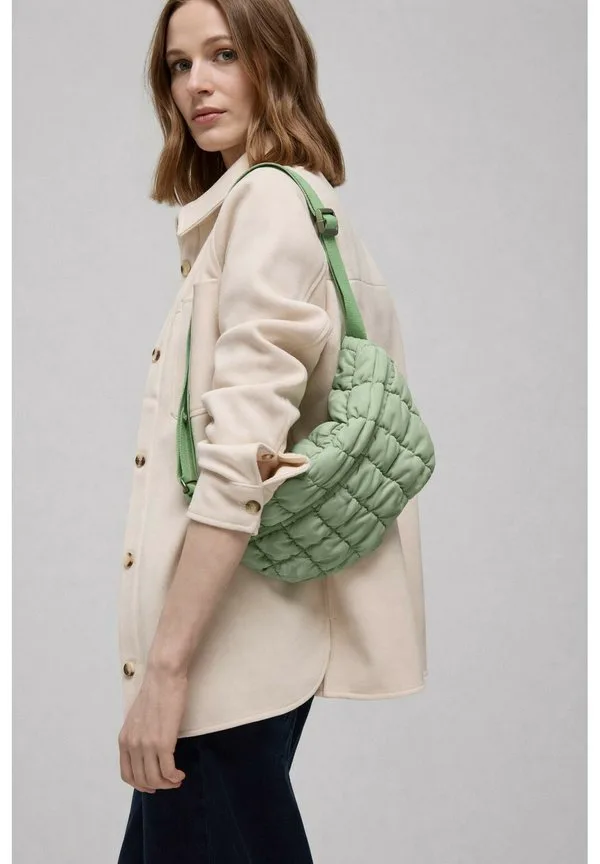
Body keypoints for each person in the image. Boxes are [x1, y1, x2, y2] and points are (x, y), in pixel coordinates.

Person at [116, 0, 429, 860]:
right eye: (180, 65)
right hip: (239, 654)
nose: (197, 84)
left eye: (223, 54)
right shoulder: (292, 205)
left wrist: (166, 671)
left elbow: (239, 462)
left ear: (274, 61)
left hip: (221, 661)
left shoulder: (267, 205)